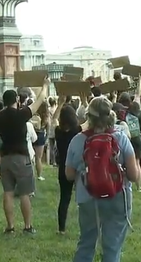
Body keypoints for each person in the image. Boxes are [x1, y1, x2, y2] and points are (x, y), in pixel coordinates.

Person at [65, 96, 140, 262]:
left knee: (86, 243)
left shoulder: (77, 140)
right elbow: (134, 176)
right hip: (118, 196)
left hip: (87, 197)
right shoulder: (121, 138)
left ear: (88, 116)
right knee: (112, 247)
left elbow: (69, 175)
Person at [0, 76, 49, 234]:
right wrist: (45, 85)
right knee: (24, 193)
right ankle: (27, 226)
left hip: (5, 157)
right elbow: (40, 99)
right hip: (22, 157)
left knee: (8, 192)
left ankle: (10, 226)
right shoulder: (22, 114)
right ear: (16, 99)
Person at [52, 97, 80, 234]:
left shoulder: (58, 132)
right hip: (78, 167)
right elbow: (89, 120)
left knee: (64, 198)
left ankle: (61, 228)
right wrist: (86, 101)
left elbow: (54, 120)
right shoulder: (78, 131)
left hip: (63, 167)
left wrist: (60, 103)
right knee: (83, 197)